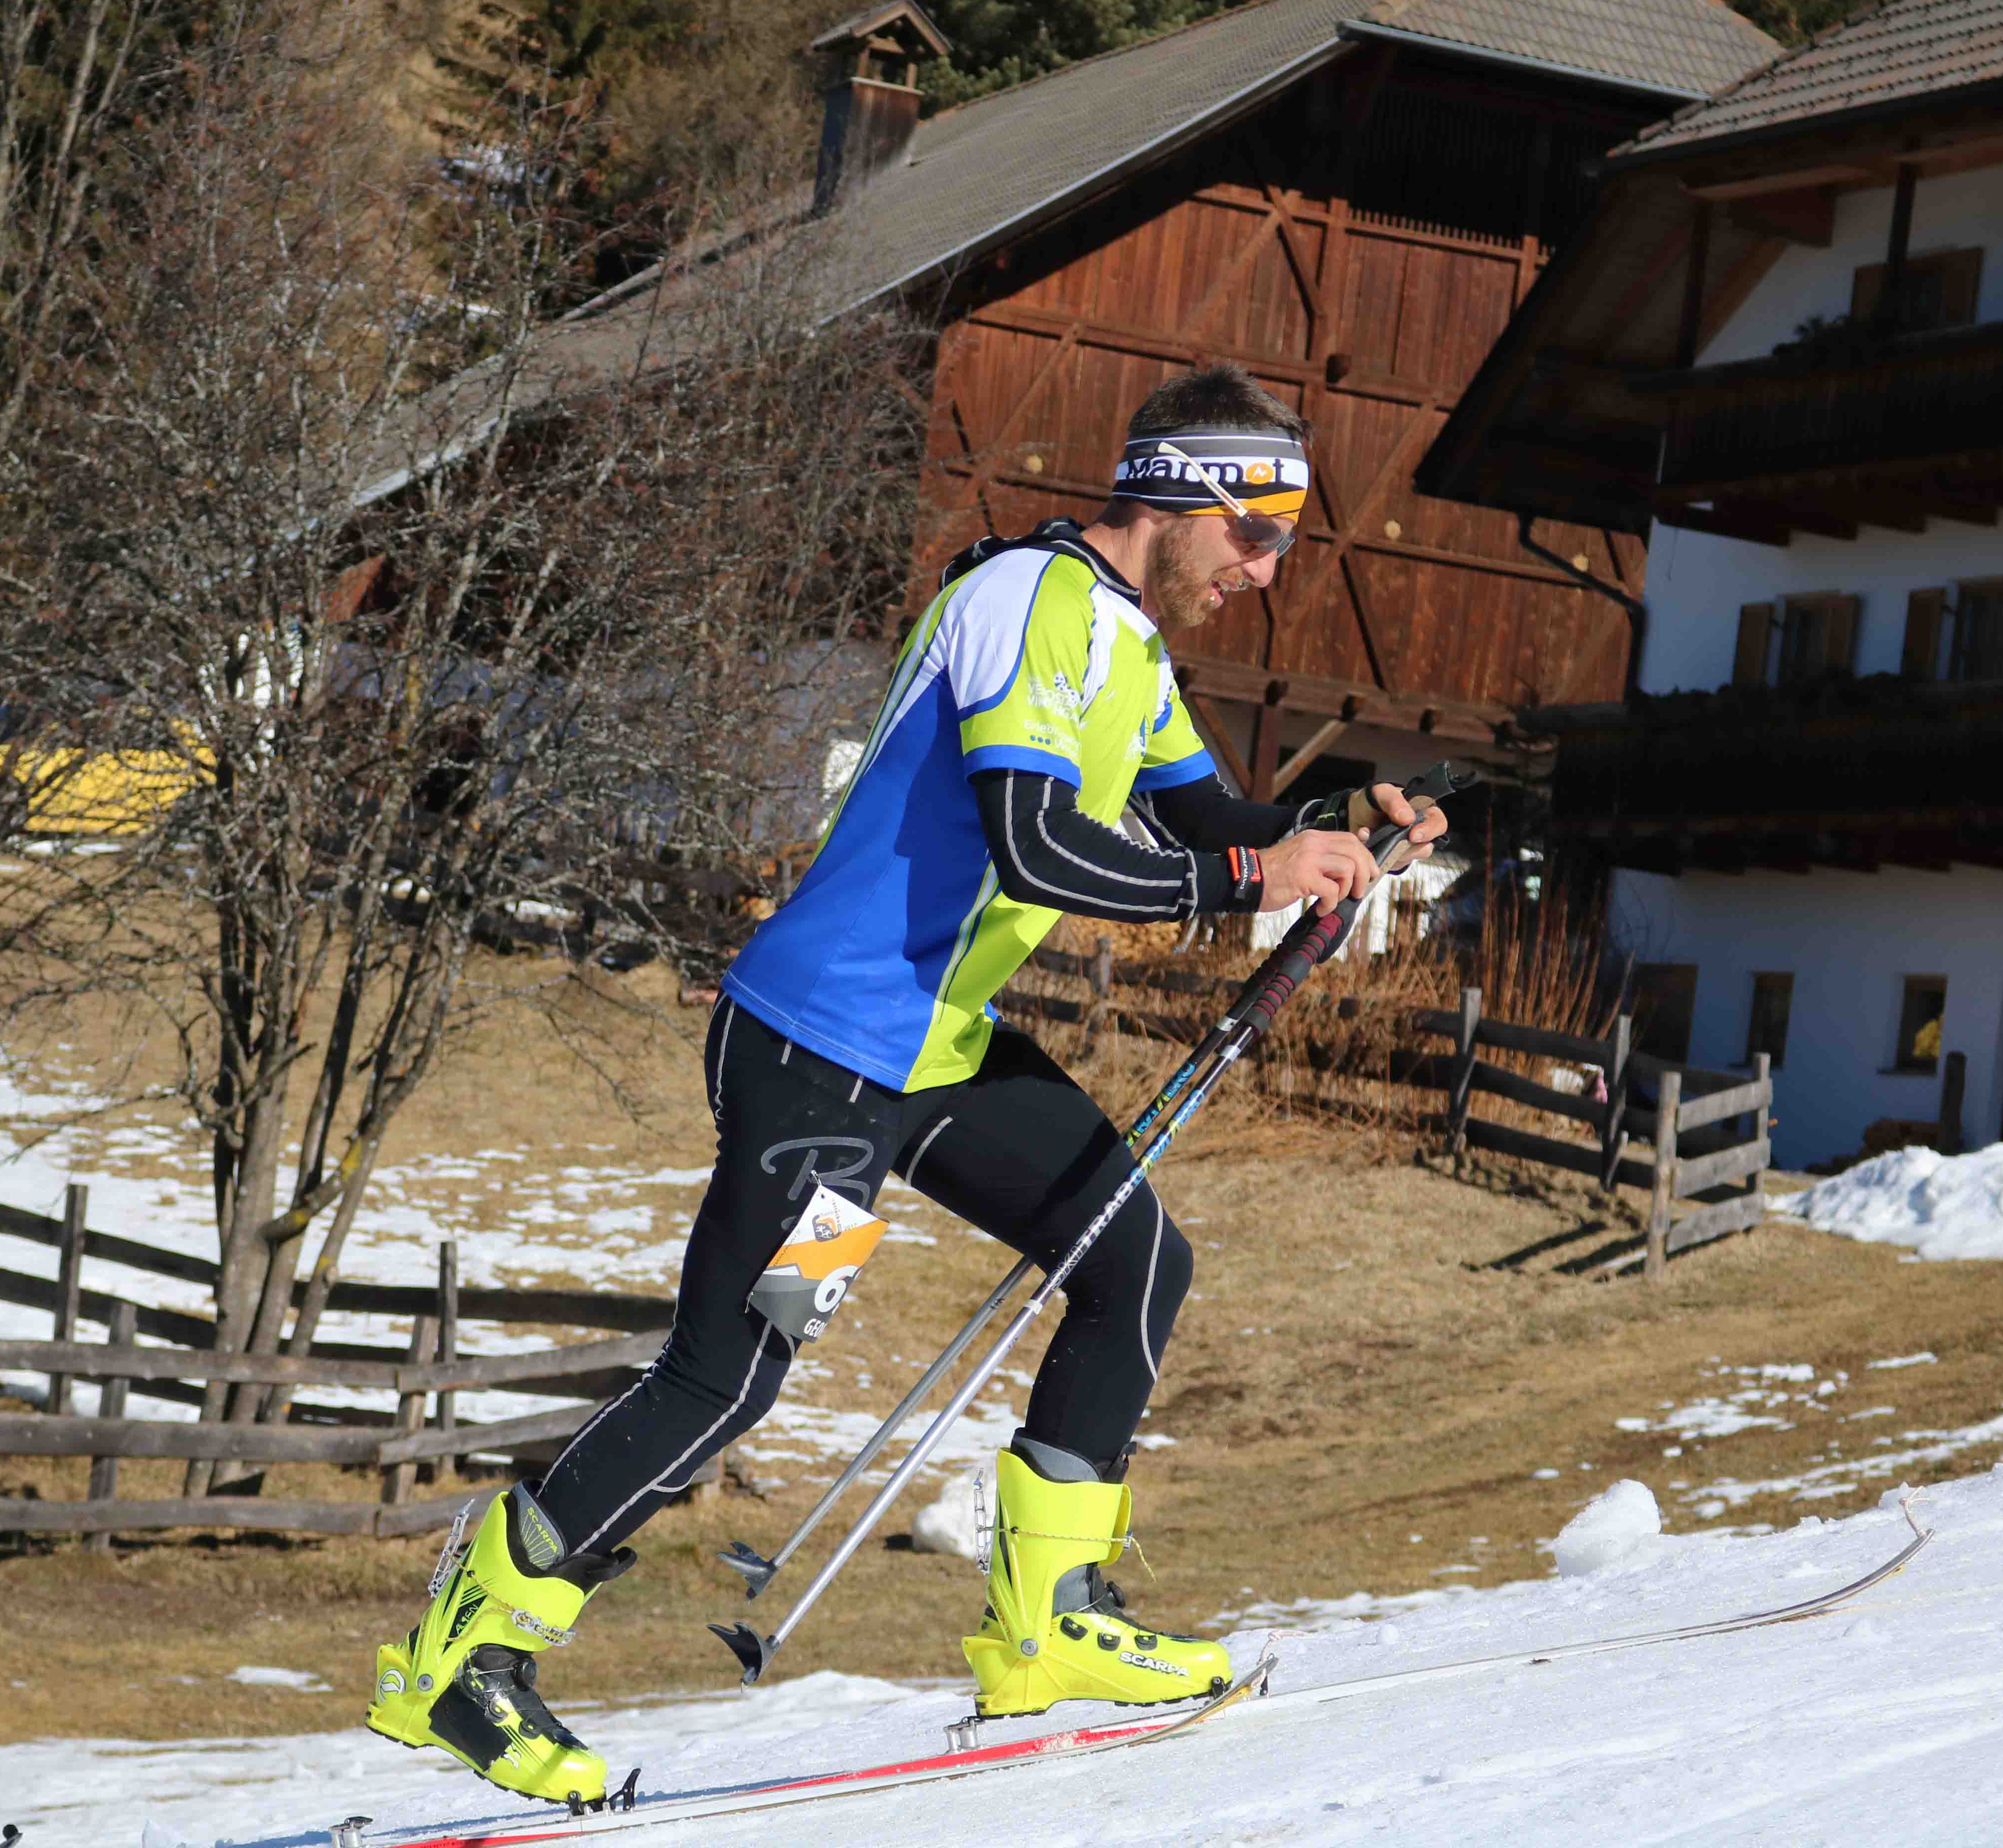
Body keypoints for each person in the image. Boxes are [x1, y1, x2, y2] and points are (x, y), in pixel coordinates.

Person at [366, 365, 1448, 1803]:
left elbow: (1207, 815)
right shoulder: (1027, 602)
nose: (1264, 572)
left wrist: (1342, 820)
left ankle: (1049, 1624)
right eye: (1256, 537)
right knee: (728, 1375)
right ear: (1180, 496)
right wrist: (1255, 877)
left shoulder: (1125, 644)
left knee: (1133, 1257)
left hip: (933, 1051)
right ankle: (460, 1655)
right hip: (825, 1055)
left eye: (1283, 548)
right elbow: (1039, 847)